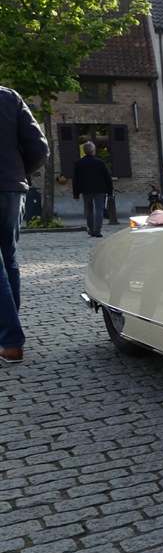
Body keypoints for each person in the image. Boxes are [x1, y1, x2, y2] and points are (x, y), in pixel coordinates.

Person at [0, 85, 48, 365]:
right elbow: (39, 148)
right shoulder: (9, 97)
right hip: (11, 189)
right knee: (8, 260)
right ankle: (9, 334)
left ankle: (10, 341)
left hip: (12, 184)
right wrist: (19, 172)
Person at [72, 141, 113, 238]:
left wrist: (76, 194)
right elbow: (107, 178)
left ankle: (90, 229)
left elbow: (75, 179)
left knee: (89, 210)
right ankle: (97, 230)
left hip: (86, 190)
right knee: (99, 209)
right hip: (100, 189)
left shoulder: (79, 163)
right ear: (93, 151)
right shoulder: (100, 162)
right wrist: (110, 191)